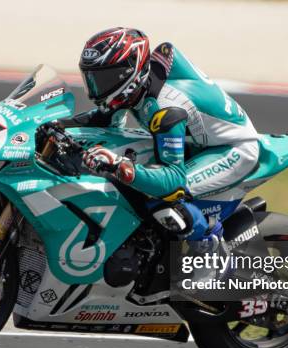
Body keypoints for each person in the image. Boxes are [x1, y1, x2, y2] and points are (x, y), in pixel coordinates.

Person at [40, 27, 260, 242]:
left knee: (161, 198)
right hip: (196, 143)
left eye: (103, 79)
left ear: (129, 73)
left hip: (233, 149)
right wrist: (52, 125)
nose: (96, 87)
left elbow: (173, 180)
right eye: (91, 78)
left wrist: (120, 165)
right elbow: (104, 120)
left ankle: (211, 251)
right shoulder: (136, 86)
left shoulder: (165, 108)